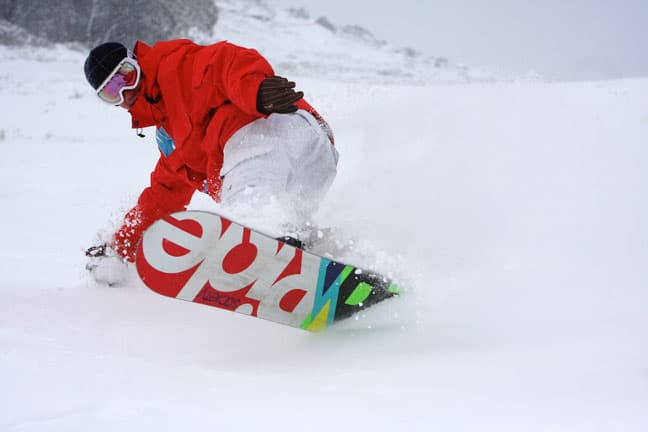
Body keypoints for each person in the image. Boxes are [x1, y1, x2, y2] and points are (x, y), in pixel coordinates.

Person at [83, 39, 339, 284]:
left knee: (251, 209)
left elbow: (225, 62)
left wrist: (255, 91)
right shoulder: (175, 144)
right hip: (316, 153)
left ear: (136, 62)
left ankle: (261, 241)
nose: (125, 93)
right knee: (290, 217)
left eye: (126, 77)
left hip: (273, 124)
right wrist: (118, 249)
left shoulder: (173, 67)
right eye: (111, 92)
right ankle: (327, 258)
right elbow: (160, 198)